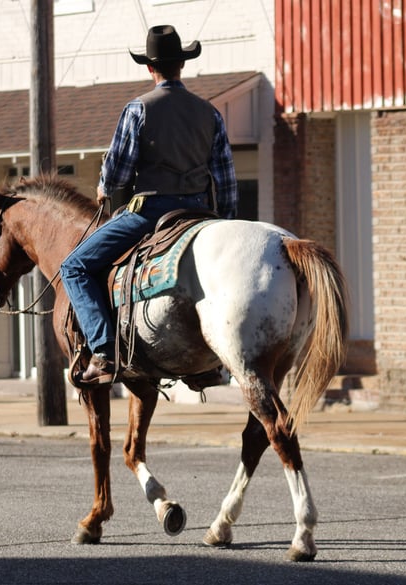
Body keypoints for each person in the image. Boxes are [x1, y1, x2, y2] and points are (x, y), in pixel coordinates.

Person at [60, 24, 238, 386]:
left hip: (152, 212)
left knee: (74, 267)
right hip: (202, 214)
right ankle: (208, 363)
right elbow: (226, 179)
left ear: (150, 68)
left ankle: (104, 352)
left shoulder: (138, 109)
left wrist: (103, 187)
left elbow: (119, 172)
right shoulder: (210, 113)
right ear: (182, 65)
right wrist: (225, 221)